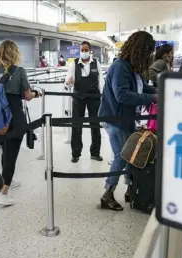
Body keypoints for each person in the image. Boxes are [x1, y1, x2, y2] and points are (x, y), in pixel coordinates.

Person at [98, 31, 157, 211]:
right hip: (115, 118)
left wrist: (158, 91)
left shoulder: (131, 68)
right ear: (140, 49)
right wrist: (152, 98)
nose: (149, 56)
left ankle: (132, 189)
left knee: (131, 154)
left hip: (125, 118)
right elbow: (122, 95)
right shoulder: (120, 67)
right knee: (122, 156)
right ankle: (107, 194)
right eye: (148, 51)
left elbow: (141, 87)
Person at [0, 40, 41, 206]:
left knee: (4, 150)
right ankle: (4, 193)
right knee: (11, 155)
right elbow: (27, 96)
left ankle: (5, 180)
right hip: (14, 119)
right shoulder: (19, 71)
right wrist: (37, 93)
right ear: (14, 53)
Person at [65, 41, 104, 163]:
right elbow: (67, 81)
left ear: (90, 51)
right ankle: (75, 154)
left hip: (94, 97)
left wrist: (103, 96)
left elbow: (100, 81)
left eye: (86, 50)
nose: (84, 52)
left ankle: (95, 153)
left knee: (95, 125)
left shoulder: (96, 63)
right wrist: (68, 82)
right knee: (76, 125)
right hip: (78, 97)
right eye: (82, 50)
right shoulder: (74, 63)